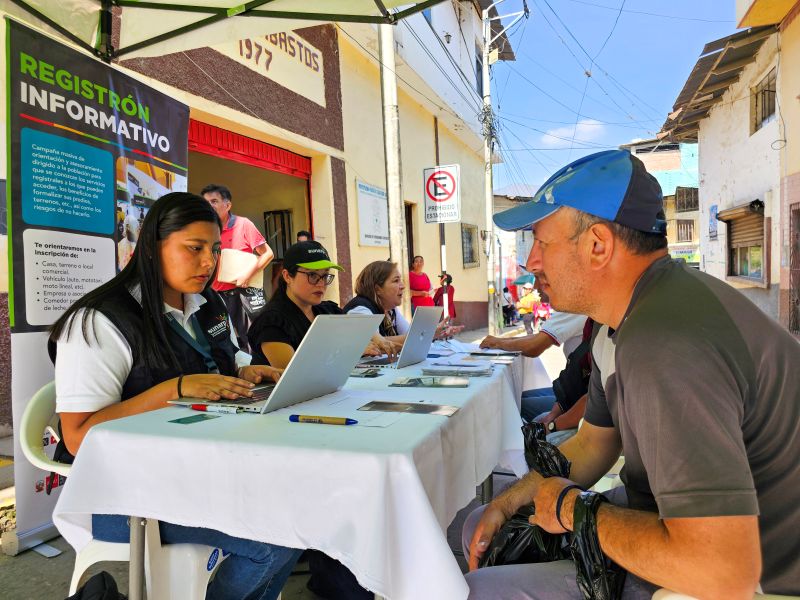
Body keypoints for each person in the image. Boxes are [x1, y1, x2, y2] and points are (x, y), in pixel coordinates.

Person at [464, 150, 800, 598]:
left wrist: (571, 509)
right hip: (670, 522)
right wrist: (508, 502)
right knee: (482, 524)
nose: (532, 263)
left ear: (598, 245)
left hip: (753, 579)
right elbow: (593, 443)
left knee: (481, 591)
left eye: (542, 243)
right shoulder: (623, 323)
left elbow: (722, 572)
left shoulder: (664, 341)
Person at [50, 192, 301, 600]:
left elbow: (222, 355)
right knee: (272, 542)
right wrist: (175, 389)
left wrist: (243, 371)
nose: (208, 262)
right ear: (151, 248)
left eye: (215, 249)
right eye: (194, 248)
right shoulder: (99, 321)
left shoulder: (207, 303)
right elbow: (78, 436)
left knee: (303, 512)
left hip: (197, 470)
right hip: (120, 495)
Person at [247, 241, 391, 369]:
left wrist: (376, 337)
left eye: (325, 275)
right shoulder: (272, 321)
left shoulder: (327, 311)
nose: (321, 283)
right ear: (287, 276)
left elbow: (356, 329)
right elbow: (292, 373)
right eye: (312, 275)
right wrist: (350, 350)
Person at [201, 183, 274, 352]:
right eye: (206, 202)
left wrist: (246, 275)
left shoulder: (243, 224)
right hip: (215, 294)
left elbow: (268, 254)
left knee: (252, 340)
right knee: (220, 341)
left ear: (227, 205)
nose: (209, 206)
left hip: (242, 294)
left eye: (214, 201)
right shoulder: (206, 230)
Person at [343, 260, 409, 350]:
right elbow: (374, 343)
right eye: (396, 281)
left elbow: (408, 332)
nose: (402, 286)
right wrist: (415, 338)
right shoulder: (360, 309)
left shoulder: (390, 309)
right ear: (378, 289)